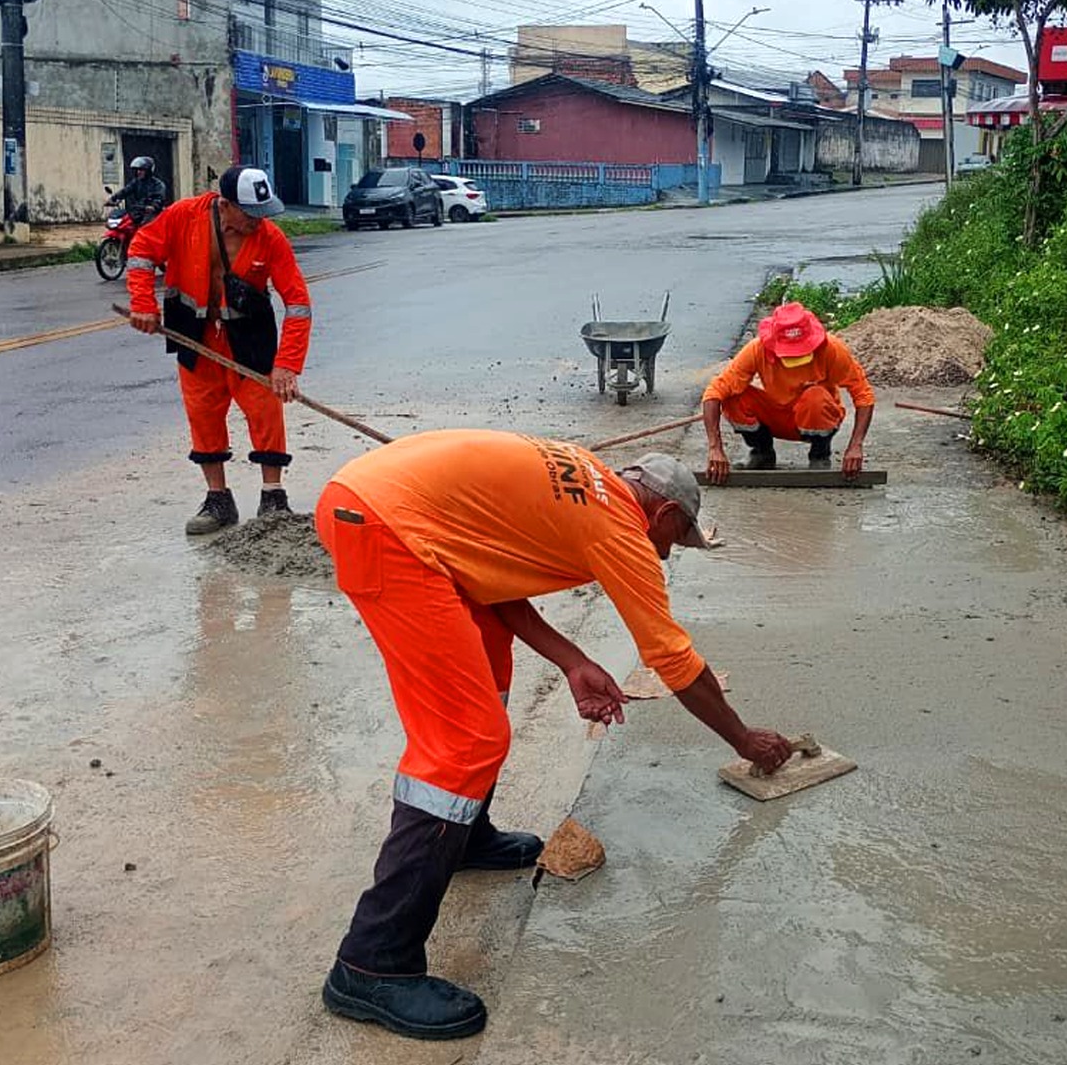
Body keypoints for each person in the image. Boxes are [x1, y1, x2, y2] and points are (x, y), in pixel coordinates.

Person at [314, 430, 793, 1041]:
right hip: (385, 528)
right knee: (467, 739)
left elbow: (492, 579)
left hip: (388, 509)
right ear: (665, 513)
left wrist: (572, 661)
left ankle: (464, 840)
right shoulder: (622, 530)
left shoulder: (590, 480)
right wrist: (743, 738)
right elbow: (672, 660)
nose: (666, 555)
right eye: (675, 541)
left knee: (490, 678)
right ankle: (372, 962)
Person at [126, 165, 312, 534]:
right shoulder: (183, 217)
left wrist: (287, 365)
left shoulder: (270, 238)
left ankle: (273, 496)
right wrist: (142, 303)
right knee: (203, 412)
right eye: (250, 214)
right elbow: (142, 249)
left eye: (263, 213)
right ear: (225, 205)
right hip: (194, 331)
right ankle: (218, 500)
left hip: (249, 334)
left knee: (265, 409)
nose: (258, 221)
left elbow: (298, 303)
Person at [702, 300, 875, 482]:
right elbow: (713, 393)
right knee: (733, 398)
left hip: (815, 416)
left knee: (815, 397)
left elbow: (863, 395)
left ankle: (820, 454)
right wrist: (715, 448)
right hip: (776, 416)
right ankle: (762, 452)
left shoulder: (831, 349)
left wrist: (855, 446)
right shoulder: (757, 349)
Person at [107, 156, 168, 227]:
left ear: (148, 171)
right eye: (138, 170)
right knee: (125, 223)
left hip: (152, 213)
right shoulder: (136, 182)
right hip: (138, 210)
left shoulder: (158, 184)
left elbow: (159, 198)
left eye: (141, 170)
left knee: (144, 227)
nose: (138, 172)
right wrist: (113, 198)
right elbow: (125, 191)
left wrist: (153, 206)